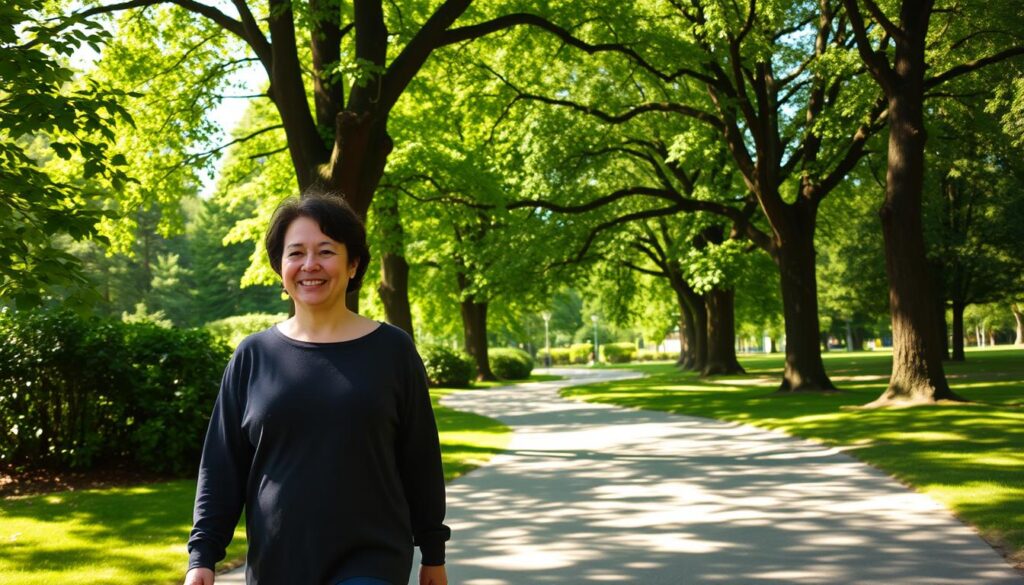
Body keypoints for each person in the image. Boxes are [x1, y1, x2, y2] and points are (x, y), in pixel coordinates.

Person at [184, 191, 449, 585]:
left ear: (353, 263)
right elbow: (221, 466)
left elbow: (420, 457)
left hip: (372, 559)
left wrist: (433, 551)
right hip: (277, 563)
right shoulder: (253, 355)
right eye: (296, 253)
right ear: (280, 266)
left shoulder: (393, 350)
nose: (310, 265)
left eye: (326, 251)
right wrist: (202, 557)